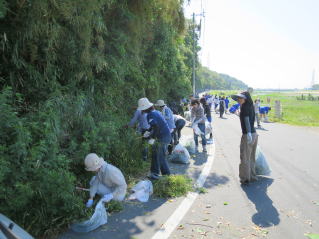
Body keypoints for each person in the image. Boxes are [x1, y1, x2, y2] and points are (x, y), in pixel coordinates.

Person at [138, 98, 171, 180]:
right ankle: (154, 173)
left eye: (143, 109)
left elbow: (156, 128)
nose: (143, 111)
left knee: (160, 156)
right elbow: (154, 126)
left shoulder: (150, 115)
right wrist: (148, 132)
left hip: (163, 137)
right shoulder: (156, 112)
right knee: (155, 154)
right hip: (165, 136)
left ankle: (166, 175)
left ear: (146, 108)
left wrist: (152, 138)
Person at [231, 92, 258, 185]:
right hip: (254, 134)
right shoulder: (250, 106)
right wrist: (238, 114)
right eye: (238, 98)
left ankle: (245, 178)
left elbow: (246, 121)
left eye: (240, 98)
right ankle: (252, 176)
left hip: (248, 134)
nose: (238, 100)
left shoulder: (244, 107)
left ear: (245, 99)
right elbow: (251, 119)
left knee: (245, 157)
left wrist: (249, 133)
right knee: (251, 157)